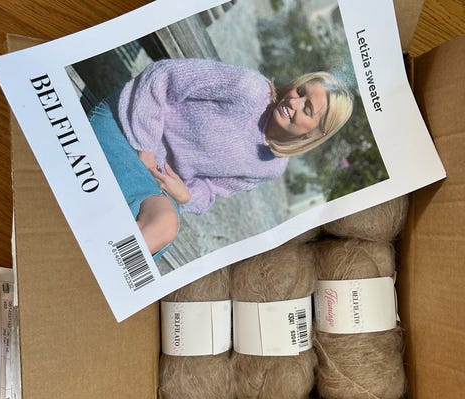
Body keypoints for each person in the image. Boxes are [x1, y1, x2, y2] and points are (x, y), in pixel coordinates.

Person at [89, 58, 353, 260]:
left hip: (153, 178)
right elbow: (163, 75)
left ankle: (94, 273)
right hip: (125, 128)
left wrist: (187, 197)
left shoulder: (272, 166)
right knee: (150, 226)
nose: (294, 102)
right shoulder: (250, 89)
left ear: (316, 133)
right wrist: (146, 147)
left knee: (163, 227)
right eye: (300, 91)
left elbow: (211, 188)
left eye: (307, 108)